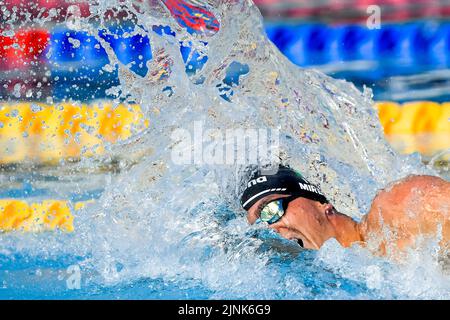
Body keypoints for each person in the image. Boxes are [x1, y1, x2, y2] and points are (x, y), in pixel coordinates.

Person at [241, 166, 449, 255]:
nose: (270, 229)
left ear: (321, 204)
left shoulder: (397, 208)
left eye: (269, 210)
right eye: (259, 224)